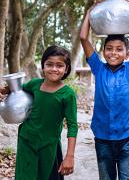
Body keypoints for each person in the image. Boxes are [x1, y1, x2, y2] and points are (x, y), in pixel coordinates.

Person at [79, 0, 129, 179]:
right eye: (109, 48)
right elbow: (83, 38)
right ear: (103, 52)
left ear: (127, 54)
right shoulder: (98, 68)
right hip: (102, 137)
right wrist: (89, 12)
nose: (113, 52)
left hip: (125, 138)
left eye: (119, 49)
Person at [0, 45, 78, 180]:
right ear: (43, 66)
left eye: (59, 65)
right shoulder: (34, 84)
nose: (54, 69)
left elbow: (72, 126)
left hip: (49, 146)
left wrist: (69, 156)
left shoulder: (68, 94)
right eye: (49, 64)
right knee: (25, 176)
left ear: (66, 69)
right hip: (26, 141)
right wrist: (6, 90)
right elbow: (18, 90)